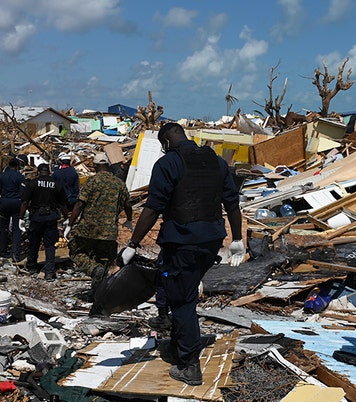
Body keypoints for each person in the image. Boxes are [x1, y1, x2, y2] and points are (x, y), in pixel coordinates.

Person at [120, 122, 246, 386]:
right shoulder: (217, 163)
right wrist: (236, 239)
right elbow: (232, 203)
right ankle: (179, 346)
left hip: (182, 243)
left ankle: (190, 365)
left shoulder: (168, 164)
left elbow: (153, 207)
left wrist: (132, 243)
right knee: (183, 290)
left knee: (181, 300)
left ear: (165, 142)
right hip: (210, 241)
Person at [64, 152, 133, 293]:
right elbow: (128, 205)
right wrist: (129, 220)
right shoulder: (119, 184)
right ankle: (98, 294)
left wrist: (70, 224)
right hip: (109, 232)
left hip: (87, 229)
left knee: (76, 251)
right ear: (107, 165)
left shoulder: (91, 181)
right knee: (105, 261)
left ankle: (94, 270)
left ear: (95, 166)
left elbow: (79, 204)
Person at [19, 162, 69, 280]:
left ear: (38, 172)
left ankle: (31, 267)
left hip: (36, 217)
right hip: (51, 217)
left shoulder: (32, 184)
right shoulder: (56, 185)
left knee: (34, 243)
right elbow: (63, 204)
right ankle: (50, 271)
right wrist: (66, 218)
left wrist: (21, 218)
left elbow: (25, 202)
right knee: (50, 245)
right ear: (50, 172)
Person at [0, 156, 26, 261]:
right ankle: (15, 254)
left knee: (3, 228)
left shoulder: (1, 176)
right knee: (16, 229)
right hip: (16, 203)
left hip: (4, 203)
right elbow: (23, 193)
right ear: (17, 166)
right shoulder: (20, 177)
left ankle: (2, 251)